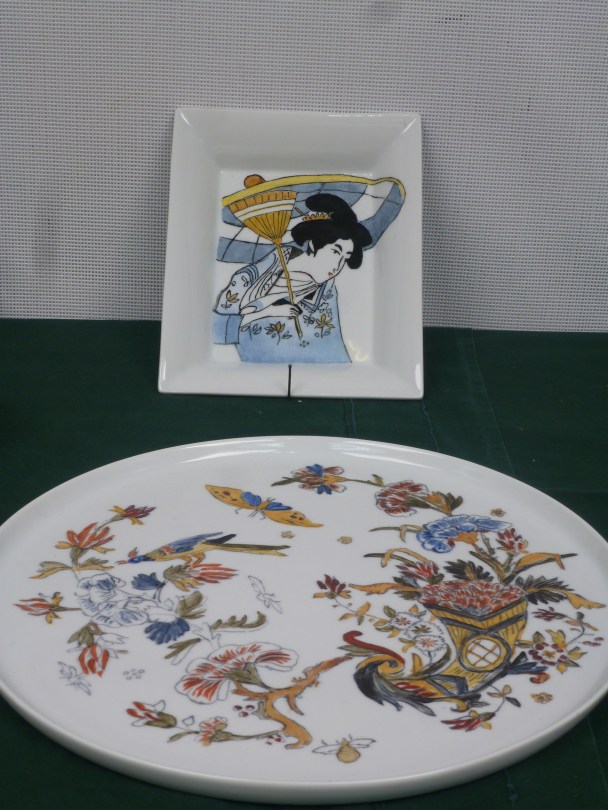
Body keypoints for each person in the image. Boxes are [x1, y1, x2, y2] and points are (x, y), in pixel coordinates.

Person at [212, 193, 372, 364]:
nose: (338, 266)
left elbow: (332, 347)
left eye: (345, 258)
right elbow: (217, 331)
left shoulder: (327, 291)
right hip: (249, 371)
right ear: (313, 244)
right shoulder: (248, 278)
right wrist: (268, 312)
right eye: (335, 252)